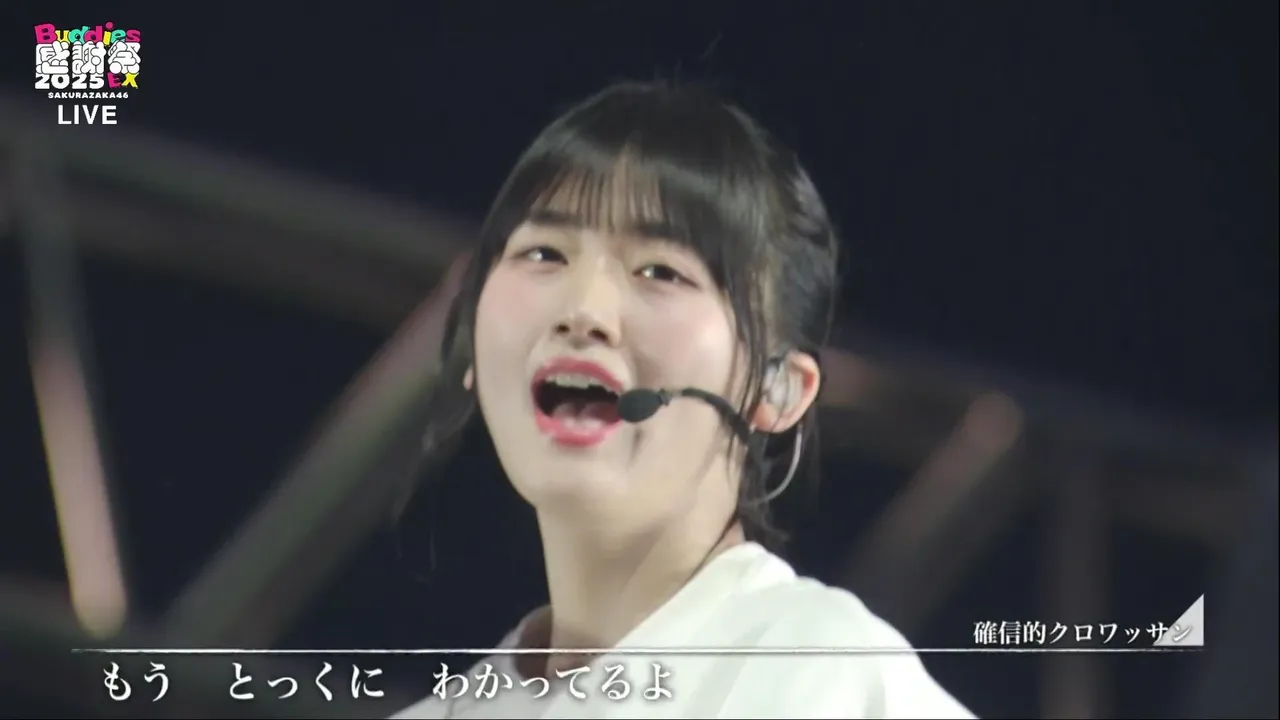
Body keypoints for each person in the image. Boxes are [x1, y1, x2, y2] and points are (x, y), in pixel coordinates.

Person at [393, 81, 974, 719]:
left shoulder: (827, 677)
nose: (584, 311)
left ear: (779, 389)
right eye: (544, 253)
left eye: (661, 271)